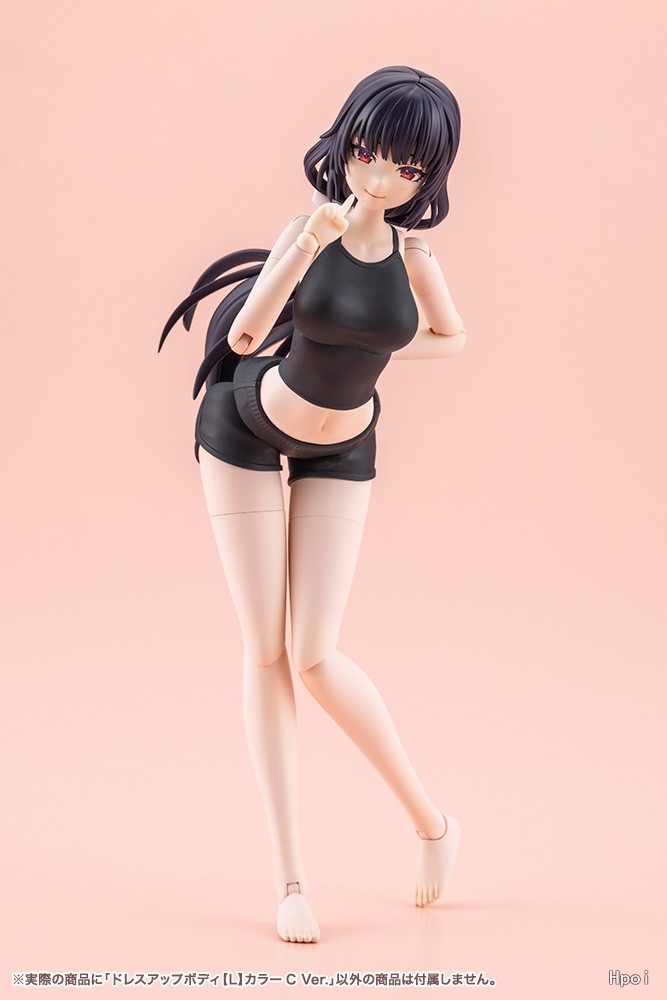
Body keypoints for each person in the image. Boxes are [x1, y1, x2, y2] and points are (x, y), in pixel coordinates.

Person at [162, 65, 466, 943]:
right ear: (343, 145)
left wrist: (367, 352)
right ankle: (291, 880)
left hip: (345, 443)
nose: (381, 177)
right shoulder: (308, 232)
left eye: (406, 166)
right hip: (246, 426)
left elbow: (451, 338)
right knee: (265, 651)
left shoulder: (416, 257)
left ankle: (433, 827)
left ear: (427, 176)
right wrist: (303, 246)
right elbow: (246, 334)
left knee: (316, 654)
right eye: (367, 152)